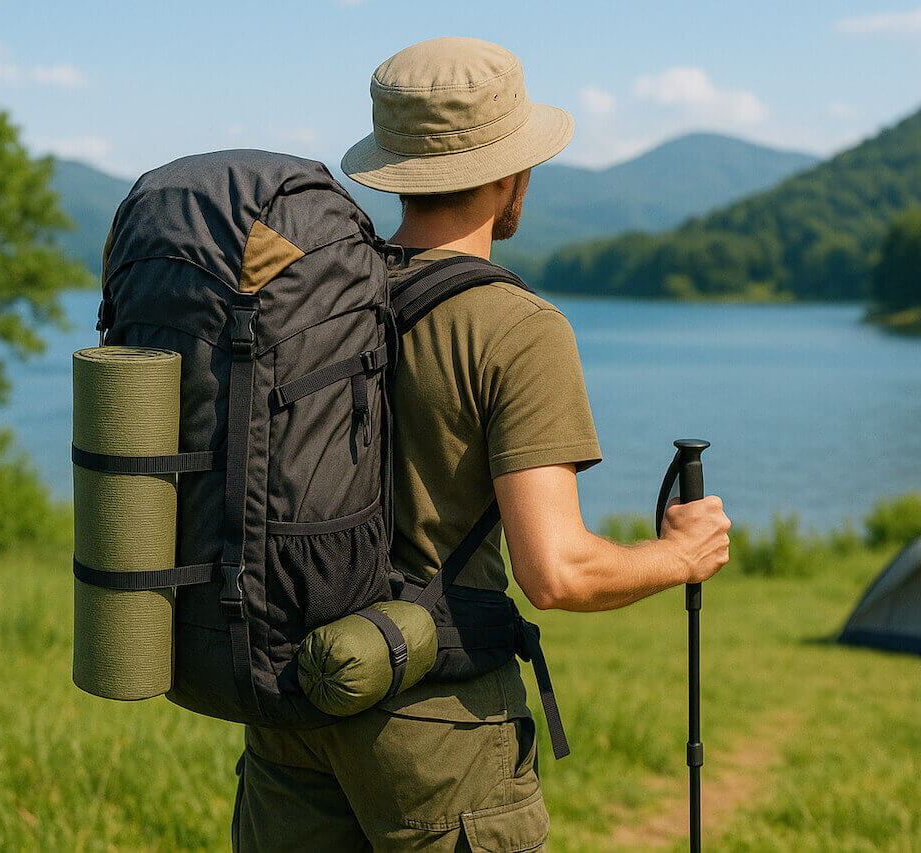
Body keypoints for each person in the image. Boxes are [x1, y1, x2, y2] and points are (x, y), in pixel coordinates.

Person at [233, 36, 731, 851]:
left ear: (395, 167)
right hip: (437, 733)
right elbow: (556, 571)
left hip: (293, 704)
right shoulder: (518, 329)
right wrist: (680, 555)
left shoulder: (312, 303)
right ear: (512, 173)